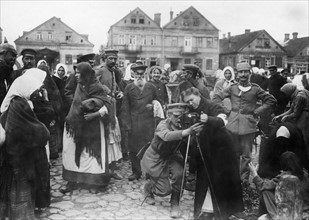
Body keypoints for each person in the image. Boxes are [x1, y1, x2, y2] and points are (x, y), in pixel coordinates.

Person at [181, 87, 244, 219]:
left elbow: (223, 121)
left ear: (198, 95)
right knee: (204, 179)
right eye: (188, 102)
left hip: (222, 150)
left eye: (191, 100)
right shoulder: (192, 109)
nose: (190, 103)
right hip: (205, 149)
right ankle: (206, 210)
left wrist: (208, 119)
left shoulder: (212, 105)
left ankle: (223, 212)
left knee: (220, 181)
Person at [212, 62, 277, 183]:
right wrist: (227, 111)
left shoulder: (255, 89)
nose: (243, 75)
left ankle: (244, 180)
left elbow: (271, 100)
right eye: (241, 72)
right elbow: (216, 98)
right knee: (233, 152)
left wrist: (257, 111)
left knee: (246, 155)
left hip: (248, 125)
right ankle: (233, 177)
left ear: (249, 73)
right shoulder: (232, 88)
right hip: (232, 124)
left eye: (245, 72)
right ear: (237, 74)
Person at [0, 68, 50, 219]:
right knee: (20, 191)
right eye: (34, 89)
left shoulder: (18, 101)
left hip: (19, 153)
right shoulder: (18, 104)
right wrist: (43, 131)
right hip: (19, 156)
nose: (37, 93)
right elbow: (35, 130)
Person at [141, 103, 203, 218]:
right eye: (175, 116)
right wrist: (186, 132)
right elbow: (167, 136)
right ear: (168, 115)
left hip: (172, 155)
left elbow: (190, 143)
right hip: (156, 157)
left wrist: (195, 134)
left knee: (180, 174)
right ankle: (149, 188)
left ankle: (175, 203)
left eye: (181, 115)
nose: (178, 118)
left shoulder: (184, 125)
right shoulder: (162, 124)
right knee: (163, 191)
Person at [61, 62, 113, 193]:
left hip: (93, 126)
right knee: (71, 152)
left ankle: (95, 182)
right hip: (75, 123)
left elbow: (107, 104)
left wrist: (94, 112)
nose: (76, 75)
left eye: (79, 72)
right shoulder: (79, 85)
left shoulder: (96, 86)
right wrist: (78, 108)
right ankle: (71, 181)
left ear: (86, 73)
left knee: (92, 157)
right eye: (76, 72)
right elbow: (73, 99)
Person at [121, 64, 158, 181]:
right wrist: (127, 125)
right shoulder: (129, 88)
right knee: (133, 149)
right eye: (137, 74)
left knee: (149, 148)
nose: (140, 76)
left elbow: (158, 102)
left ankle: (148, 172)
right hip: (134, 123)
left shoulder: (151, 87)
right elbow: (125, 108)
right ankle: (136, 172)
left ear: (145, 75)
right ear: (133, 75)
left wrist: (152, 106)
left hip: (148, 123)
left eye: (142, 74)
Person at [249, 151, 309, 220]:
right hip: (304, 207)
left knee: (265, 192)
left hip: (291, 210)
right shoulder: (305, 173)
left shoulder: (283, 177)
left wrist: (254, 173)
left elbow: (262, 186)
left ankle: (275, 215)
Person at [273, 83, 309, 155]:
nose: (285, 95)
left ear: (289, 92)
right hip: (301, 115)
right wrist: (280, 116)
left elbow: (296, 113)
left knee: (304, 137)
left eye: (285, 93)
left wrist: (286, 117)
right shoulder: (297, 94)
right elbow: (291, 109)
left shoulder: (300, 96)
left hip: (305, 117)